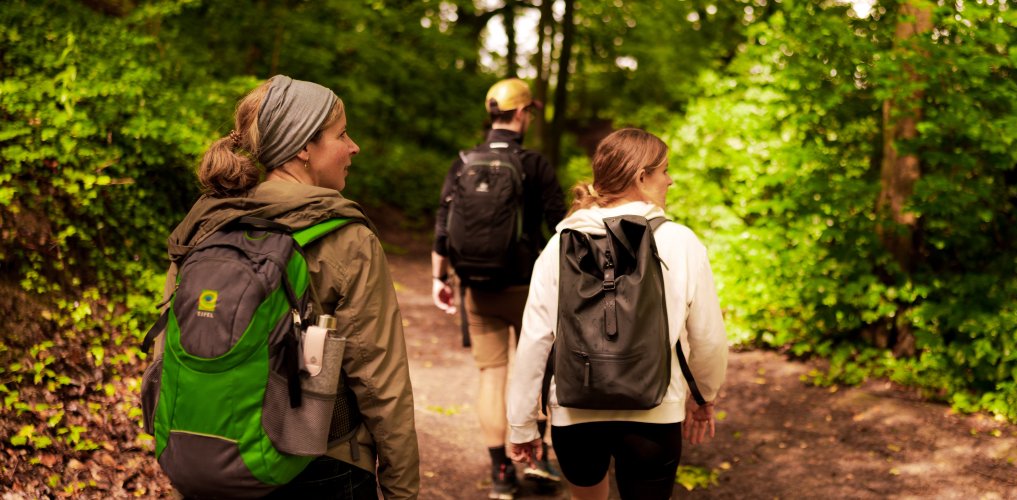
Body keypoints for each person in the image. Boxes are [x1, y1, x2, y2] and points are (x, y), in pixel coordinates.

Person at [160, 75, 420, 498]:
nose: (353, 147)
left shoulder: (207, 226)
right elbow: (380, 382)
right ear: (303, 147)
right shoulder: (346, 238)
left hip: (213, 457)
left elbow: (169, 353)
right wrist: (402, 489)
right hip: (321, 463)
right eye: (341, 134)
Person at [505, 128, 728, 500]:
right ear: (642, 177)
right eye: (665, 171)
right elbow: (708, 336)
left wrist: (522, 423)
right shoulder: (680, 242)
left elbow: (536, 338)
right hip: (655, 412)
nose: (670, 180)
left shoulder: (562, 241)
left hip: (574, 413)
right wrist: (703, 396)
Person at [431, 78, 567, 499]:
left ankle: (501, 473)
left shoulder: (463, 161)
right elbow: (560, 226)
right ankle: (539, 457)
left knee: (492, 375)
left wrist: (440, 277)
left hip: (478, 286)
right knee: (541, 372)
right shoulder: (534, 163)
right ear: (522, 113)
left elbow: (443, 225)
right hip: (529, 288)